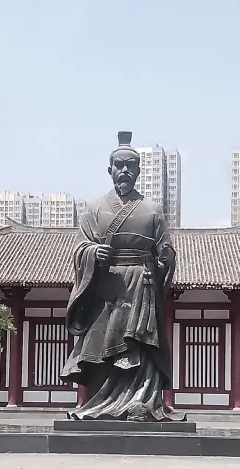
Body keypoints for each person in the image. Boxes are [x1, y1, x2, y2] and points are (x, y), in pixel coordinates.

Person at [60, 131, 182, 421]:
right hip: (107, 288)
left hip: (143, 286)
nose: (125, 170)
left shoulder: (153, 211)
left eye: (131, 165)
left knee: (141, 347)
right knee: (104, 348)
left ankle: (142, 401)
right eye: (119, 165)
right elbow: (82, 246)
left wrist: (165, 261)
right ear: (110, 170)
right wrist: (92, 253)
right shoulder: (94, 208)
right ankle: (100, 403)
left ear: (139, 171)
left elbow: (166, 253)